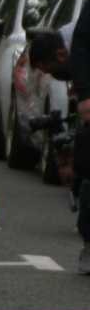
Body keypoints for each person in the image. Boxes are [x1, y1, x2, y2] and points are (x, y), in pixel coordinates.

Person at [30, 16, 90, 273]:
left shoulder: (77, 45)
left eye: (49, 69)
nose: (51, 76)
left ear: (60, 55)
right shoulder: (68, 39)